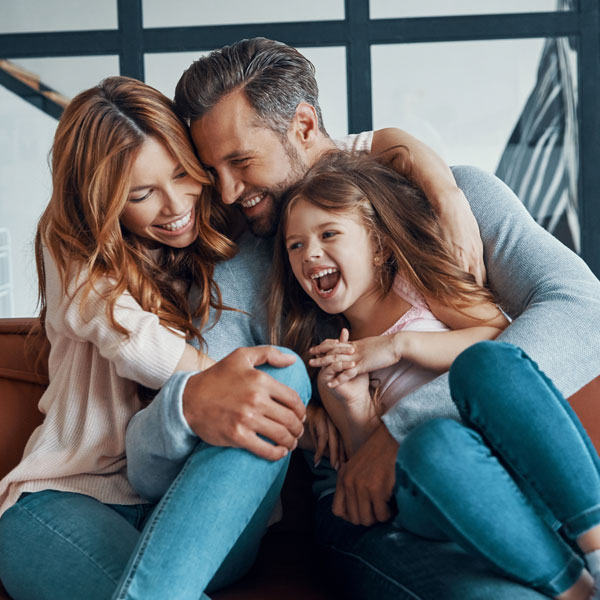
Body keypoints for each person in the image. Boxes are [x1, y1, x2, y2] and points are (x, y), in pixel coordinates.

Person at [126, 37, 600, 599]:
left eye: (241, 161)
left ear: (303, 126)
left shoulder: (450, 198)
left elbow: (583, 314)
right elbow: (209, 409)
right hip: (371, 515)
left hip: (499, 475)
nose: (227, 192)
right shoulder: (233, 271)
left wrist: (400, 430)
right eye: (212, 170)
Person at [0, 76, 311, 600]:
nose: (174, 206)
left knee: (281, 371)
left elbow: (315, 154)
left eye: (183, 174)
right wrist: (206, 386)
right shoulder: (74, 246)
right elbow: (131, 338)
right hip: (69, 497)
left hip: (202, 508)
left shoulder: (230, 217)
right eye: (142, 195)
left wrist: (408, 153)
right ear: (103, 205)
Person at [268, 150, 600, 600]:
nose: (311, 254)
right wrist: (353, 405)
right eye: (295, 245)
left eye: (329, 234)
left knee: (486, 365)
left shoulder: (418, 289)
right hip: (429, 489)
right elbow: (370, 471)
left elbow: (500, 339)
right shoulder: (330, 353)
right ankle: (577, 592)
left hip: (497, 466)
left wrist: (398, 344)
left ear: (379, 245)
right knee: (431, 446)